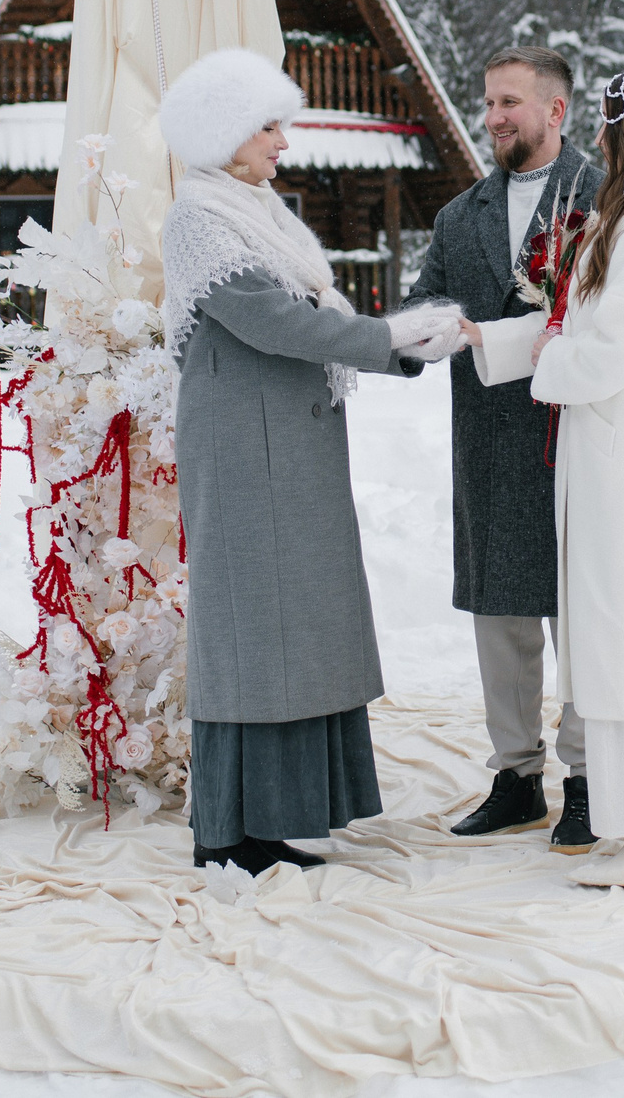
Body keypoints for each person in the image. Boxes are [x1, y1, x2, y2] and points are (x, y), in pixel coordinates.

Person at [158, 48, 466, 875]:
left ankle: (278, 815)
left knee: (294, 628)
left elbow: (299, 314)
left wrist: (401, 344)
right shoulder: (199, 219)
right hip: (246, 450)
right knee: (256, 630)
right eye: (267, 125)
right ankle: (232, 830)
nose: (282, 141)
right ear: (223, 133)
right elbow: (272, 321)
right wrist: (389, 338)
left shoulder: (254, 210)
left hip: (282, 444)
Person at [464, 62, 624, 887]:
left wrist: (551, 359)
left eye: (616, 126)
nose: (605, 140)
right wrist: (509, 342)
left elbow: (611, 350)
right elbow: (582, 325)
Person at [402, 48, 604, 853]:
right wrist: (391, 337)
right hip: (487, 443)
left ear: (556, 110)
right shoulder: (461, 216)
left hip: (577, 438)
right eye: (488, 102)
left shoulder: (606, 198)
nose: (493, 117)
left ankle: (588, 778)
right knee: (502, 619)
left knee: (582, 618)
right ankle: (516, 778)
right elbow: (428, 302)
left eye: (509, 102)